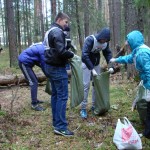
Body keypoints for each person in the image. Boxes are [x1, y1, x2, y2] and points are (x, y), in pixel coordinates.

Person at [110, 30, 150, 139]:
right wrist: (116, 59)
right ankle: (147, 131)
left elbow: (148, 71)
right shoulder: (137, 51)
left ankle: (148, 133)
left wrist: (148, 88)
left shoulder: (142, 53)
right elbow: (129, 58)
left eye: (129, 41)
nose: (127, 43)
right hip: (146, 82)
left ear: (133, 41)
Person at [44, 12, 74, 137]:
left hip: (50, 67)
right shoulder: (57, 31)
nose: (66, 25)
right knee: (62, 96)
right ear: (60, 20)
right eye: (66, 22)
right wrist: (72, 55)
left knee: (55, 95)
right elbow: (61, 51)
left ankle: (56, 123)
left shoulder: (49, 31)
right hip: (56, 68)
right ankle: (61, 127)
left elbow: (55, 49)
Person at [80, 27, 114, 118]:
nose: (104, 41)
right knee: (86, 86)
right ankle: (83, 108)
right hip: (86, 64)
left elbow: (108, 54)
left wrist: (111, 66)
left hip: (96, 64)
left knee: (96, 85)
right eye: (103, 39)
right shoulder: (91, 40)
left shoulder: (105, 43)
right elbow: (84, 55)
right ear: (100, 36)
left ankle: (94, 105)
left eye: (106, 40)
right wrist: (91, 69)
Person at [18, 42, 46, 111]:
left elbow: (38, 61)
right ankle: (34, 104)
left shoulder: (42, 46)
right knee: (33, 82)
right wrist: (48, 74)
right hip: (24, 62)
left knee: (34, 81)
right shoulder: (43, 50)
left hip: (27, 61)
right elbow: (43, 64)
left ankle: (35, 100)